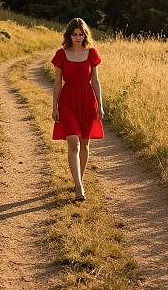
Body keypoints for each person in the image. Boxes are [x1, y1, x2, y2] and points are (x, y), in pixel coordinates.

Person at [51, 18, 104, 202]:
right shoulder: (61, 54)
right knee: (73, 142)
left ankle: (77, 180)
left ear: (85, 35)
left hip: (88, 101)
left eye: (81, 34)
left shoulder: (91, 53)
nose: (78, 37)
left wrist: (101, 105)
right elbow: (57, 83)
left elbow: (95, 81)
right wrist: (54, 106)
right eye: (74, 34)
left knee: (85, 144)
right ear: (69, 35)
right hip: (67, 101)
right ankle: (79, 187)